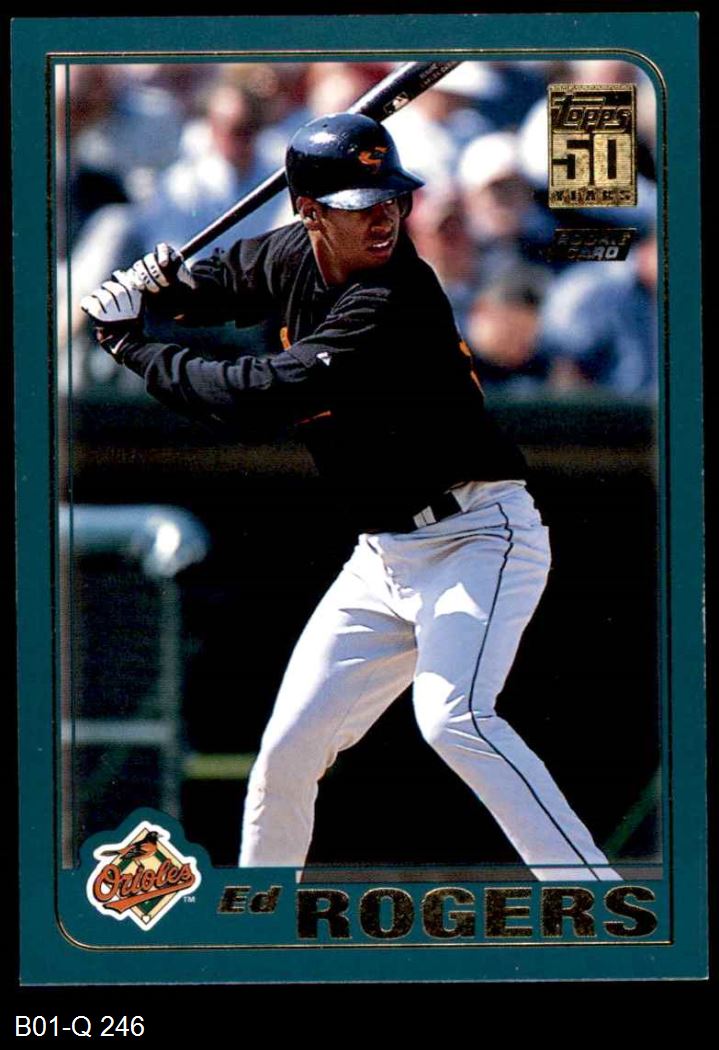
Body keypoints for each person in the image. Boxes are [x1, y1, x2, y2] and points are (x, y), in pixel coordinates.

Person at [81, 112, 619, 881]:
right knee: (287, 750)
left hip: (476, 534)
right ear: (309, 212)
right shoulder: (291, 251)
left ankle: (592, 897)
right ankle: (263, 918)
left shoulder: (393, 296)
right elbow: (225, 283)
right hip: (382, 557)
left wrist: (132, 343)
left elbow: (254, 395)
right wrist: (167, 282)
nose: (383, 216)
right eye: (359, 204)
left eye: (390, 198)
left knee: (453, 719)